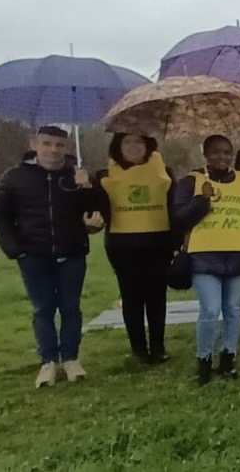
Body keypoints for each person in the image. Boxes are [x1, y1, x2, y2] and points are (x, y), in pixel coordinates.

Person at [0, 126, 101, 388]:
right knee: (43, 309)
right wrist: (15, 250)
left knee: (71, 307)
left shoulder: (76, 176)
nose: (53, 150)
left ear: (66, 147)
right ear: (34, 144)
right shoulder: (14, 177)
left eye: (59, 145)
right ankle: (49, 361)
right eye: (47, 144)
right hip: (33, 255)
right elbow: (0, 215)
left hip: (72, 252)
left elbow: (93, 213)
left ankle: (71, 358)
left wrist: (86, 187)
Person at [172, 135, 240, 384]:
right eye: (216, 153)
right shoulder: (191, 181)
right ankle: (204, 360)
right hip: (205, 255)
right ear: (205, 155)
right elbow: (178, 219)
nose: (222, 157)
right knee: (210, 309)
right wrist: (202, 200)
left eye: (226, 153)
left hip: (238, 252)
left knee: (233, 309)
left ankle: (229, 357)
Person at [93, 133, 175, 365]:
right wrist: (83, 186)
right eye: (127, 142)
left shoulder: (165, 172)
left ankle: (158, 347)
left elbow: (173, 207)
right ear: (118, 146)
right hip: (123, 245)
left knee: (157, 297)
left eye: (139, 141)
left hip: (158, 243)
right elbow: (97, 212)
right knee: (132, 298)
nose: (133, 146)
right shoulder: (103, 175)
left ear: (148, 145)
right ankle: (139, 349)